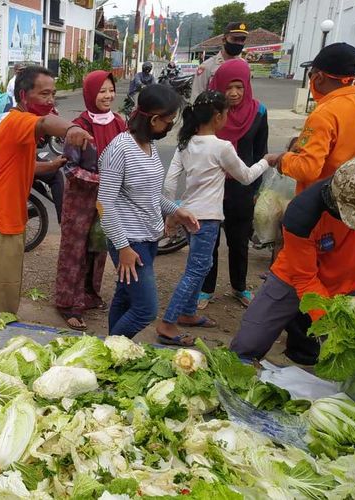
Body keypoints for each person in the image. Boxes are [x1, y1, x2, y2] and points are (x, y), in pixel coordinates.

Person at [159, 90, 274, 345]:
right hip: (207, 218)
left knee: (202, 265)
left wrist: (173, 213)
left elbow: (169, 183)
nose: (227, 117)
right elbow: (245, 176)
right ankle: (168, 323)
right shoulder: (222, 147)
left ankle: (187, 314)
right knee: (197, 269)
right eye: (226, 113)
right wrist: (267, 161)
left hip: (188, 214)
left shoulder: (185, 144)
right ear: (217, 116)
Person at [0, 66, 93, 314]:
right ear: (23, 94)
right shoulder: (18, 120)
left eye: (53, 94)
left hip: (9, 219)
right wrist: (71, 129)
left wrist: (52, 165)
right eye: (44, 94)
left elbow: (22, 165)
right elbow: (45, 123)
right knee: (1, 293)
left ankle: (3, 332)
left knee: (9, 287)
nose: (50, 100)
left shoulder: (17, 125)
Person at [230, 157, 355, 363]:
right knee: (247, 345)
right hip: (294, 277)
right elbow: (304, 278)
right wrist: (328, 322)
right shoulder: (302, 215)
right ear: (335, 199)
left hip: (351, 281)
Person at [97, 84, 199, 339]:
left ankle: (112, 354)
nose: (169, 127)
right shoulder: (119, 149)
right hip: (131, 243)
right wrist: (123, 248)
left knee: (124, 296)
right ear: (154, 119)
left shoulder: (148, 145)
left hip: (148, 239)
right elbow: (104, 204)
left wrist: (176, 210)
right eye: (168, 121)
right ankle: (110, 351)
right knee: (146, 309)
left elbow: (151, 195)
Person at [55, 70, 127, 331]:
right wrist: (103, 180)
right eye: (101, 91)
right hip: (80, 202)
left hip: (107, 202)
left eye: (110, 90)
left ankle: (90, 295)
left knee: (99, 248)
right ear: (90, 93)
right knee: (75, 251)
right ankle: (68, 303)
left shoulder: (120, 123)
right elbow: (69, 168)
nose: (107, 96)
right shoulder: (78, 127)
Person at [199, 59, 269, 309]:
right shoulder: (210, 111)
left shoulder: (259, 112)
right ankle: (206, 289)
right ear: (219, 86)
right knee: (210, 241)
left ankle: (239, 287)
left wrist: (256, 189)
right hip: (212, 186)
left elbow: (262, 152)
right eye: (228, 87)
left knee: (239, 241)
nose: (234, 93)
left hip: (243, 187)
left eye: (239, 87)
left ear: (247, 86)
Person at [272, 43, 355, 194]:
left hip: (325, 206)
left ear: (319, 77)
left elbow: (307, 169)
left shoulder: (324, 113)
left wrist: (282, 159)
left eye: (311, 75)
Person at [190, 22, 248, 101]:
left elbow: (246, 94)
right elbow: (196, 96)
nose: (239, 43)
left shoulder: (244, 65)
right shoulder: (207, 66)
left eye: (242, 40)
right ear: (224, 40)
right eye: (235, 39)